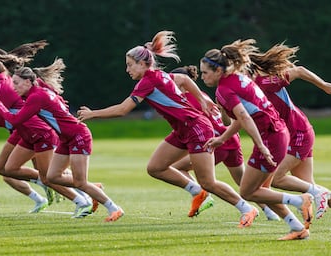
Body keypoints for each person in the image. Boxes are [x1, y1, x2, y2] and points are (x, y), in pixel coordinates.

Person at [77, 30, 260, 225]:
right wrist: (201, 100)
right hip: (183, 130)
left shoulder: (148, 81)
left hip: (196, 128)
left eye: (130, 65)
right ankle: (198, 192)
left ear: (142, 63)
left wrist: (93, 114)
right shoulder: (159, 75)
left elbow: (123, 110)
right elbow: (185, 79)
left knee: (208, 181)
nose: (127, 69)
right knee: (155, 168)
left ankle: (247, 208)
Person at [200, 40, 314, 240]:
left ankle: (300, 200)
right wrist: (222, 138)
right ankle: (297, 227)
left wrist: (261, 146)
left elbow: (244, 117)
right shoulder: (239, 78)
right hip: (277, 133)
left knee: (247, 191)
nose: (202, 77)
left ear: (218, 70)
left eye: (205, 73)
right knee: (259, 190)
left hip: (271, 137)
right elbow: (240, 119)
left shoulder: (224, 89)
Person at [0, 58, 123, 222]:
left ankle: (114, 209)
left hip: (78, 136)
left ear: (28, 82)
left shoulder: (36, 97)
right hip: (66, 139)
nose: (13, 87)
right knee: (51, 177)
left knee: (80, 182)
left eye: (16, 83)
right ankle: (93, 188)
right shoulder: (39, 91)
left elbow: (15, 121)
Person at [248, 41, 331, 230]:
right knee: (309, 185)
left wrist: (324, 85)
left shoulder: (265, 83)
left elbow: (299, 70)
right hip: (292, 134)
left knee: (278, 179)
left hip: (298, 133)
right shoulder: (251, 88)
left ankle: (309, 206)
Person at [0, 78, 93, 217]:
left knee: (49, 177)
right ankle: (53, 194)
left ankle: (83, 196)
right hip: (24, 134)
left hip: (40, 133)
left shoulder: (1, 95)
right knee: (8, 170)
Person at [170, 65, 280, 221]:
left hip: (216, 143)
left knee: (178, 169)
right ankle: (271, 212)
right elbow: (225, 121)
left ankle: (203, 195)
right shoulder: (202, 95)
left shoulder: (185, 99)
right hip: (231, 139)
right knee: (245, 184)